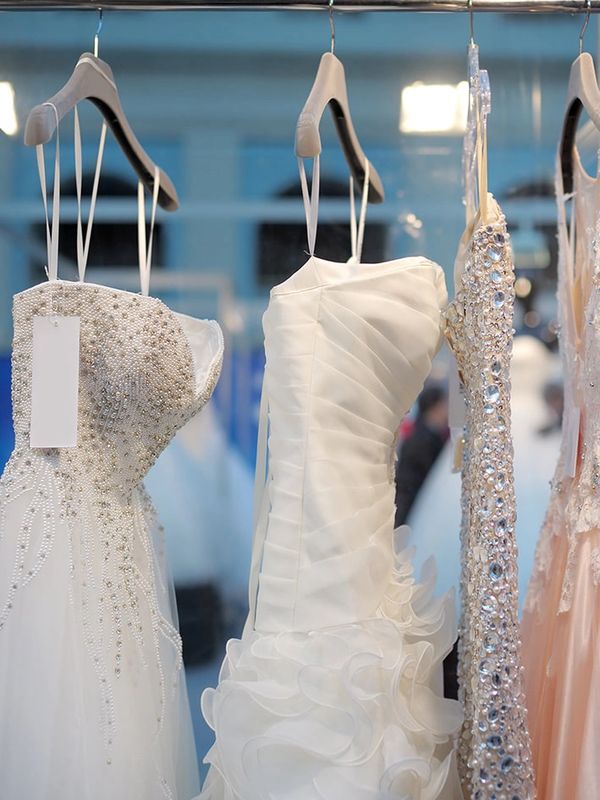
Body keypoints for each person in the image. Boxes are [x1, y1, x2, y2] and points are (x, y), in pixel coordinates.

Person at [394, 383, 449, 528]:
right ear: (434, 407)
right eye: (444, 404)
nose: (447, 410)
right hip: (410, 508)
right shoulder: (423, 439)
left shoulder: (425, 433)